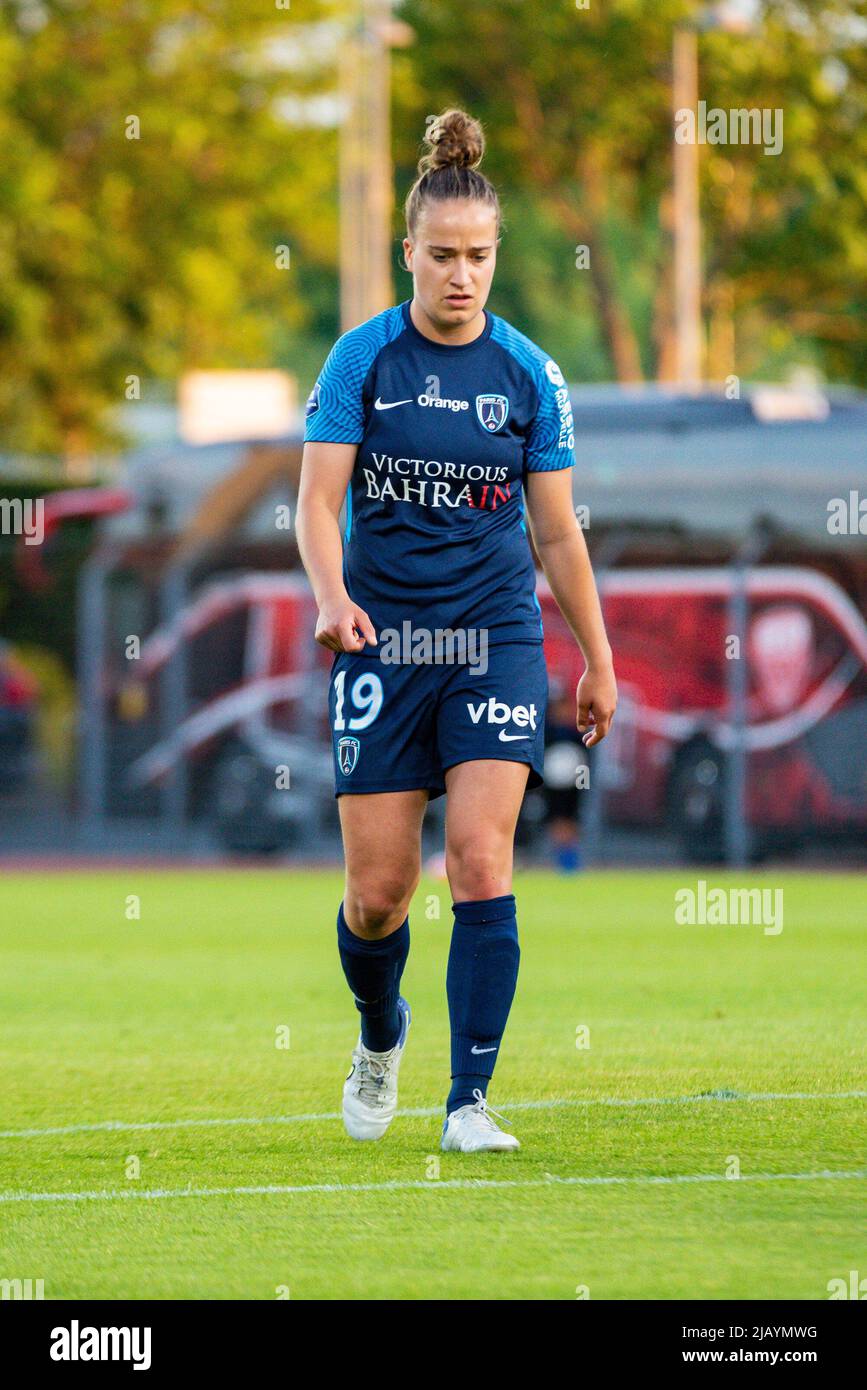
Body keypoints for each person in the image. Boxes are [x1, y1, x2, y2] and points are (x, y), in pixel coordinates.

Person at [296, 108, 616, 1154]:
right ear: (409, 255)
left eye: (478, 256)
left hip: (493, 643)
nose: (461, 275)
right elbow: (314, 506)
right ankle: (379, 1035)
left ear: (496, 256)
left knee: (480, 858)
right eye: (442, 256)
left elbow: (558, 533)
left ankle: (468, 1100)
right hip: (383, 648)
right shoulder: (362, 361)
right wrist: (334, 597)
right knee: (378, 896)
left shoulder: (530, 377)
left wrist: (597, 659)